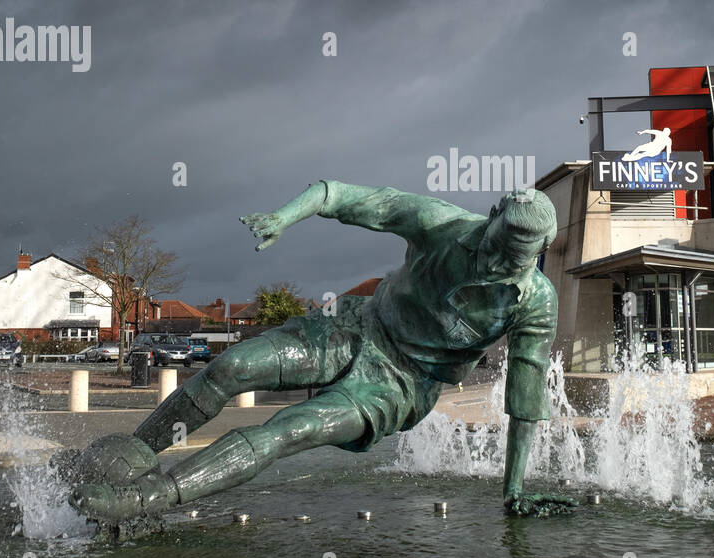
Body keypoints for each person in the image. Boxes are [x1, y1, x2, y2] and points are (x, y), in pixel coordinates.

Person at [68, 180, 577, 522]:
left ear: (543, 248)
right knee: (232, 365)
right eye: (500, 242)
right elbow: (340, 195)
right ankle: (133, 452)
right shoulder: (442, 223)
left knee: (287, 431)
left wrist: (513, 489)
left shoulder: (535, 303)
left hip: (400, 384)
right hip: (357, 325)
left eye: (520, 255)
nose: (501, 259)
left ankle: (142, 500)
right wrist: (282, 218)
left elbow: (525, 402)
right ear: (492, 219)